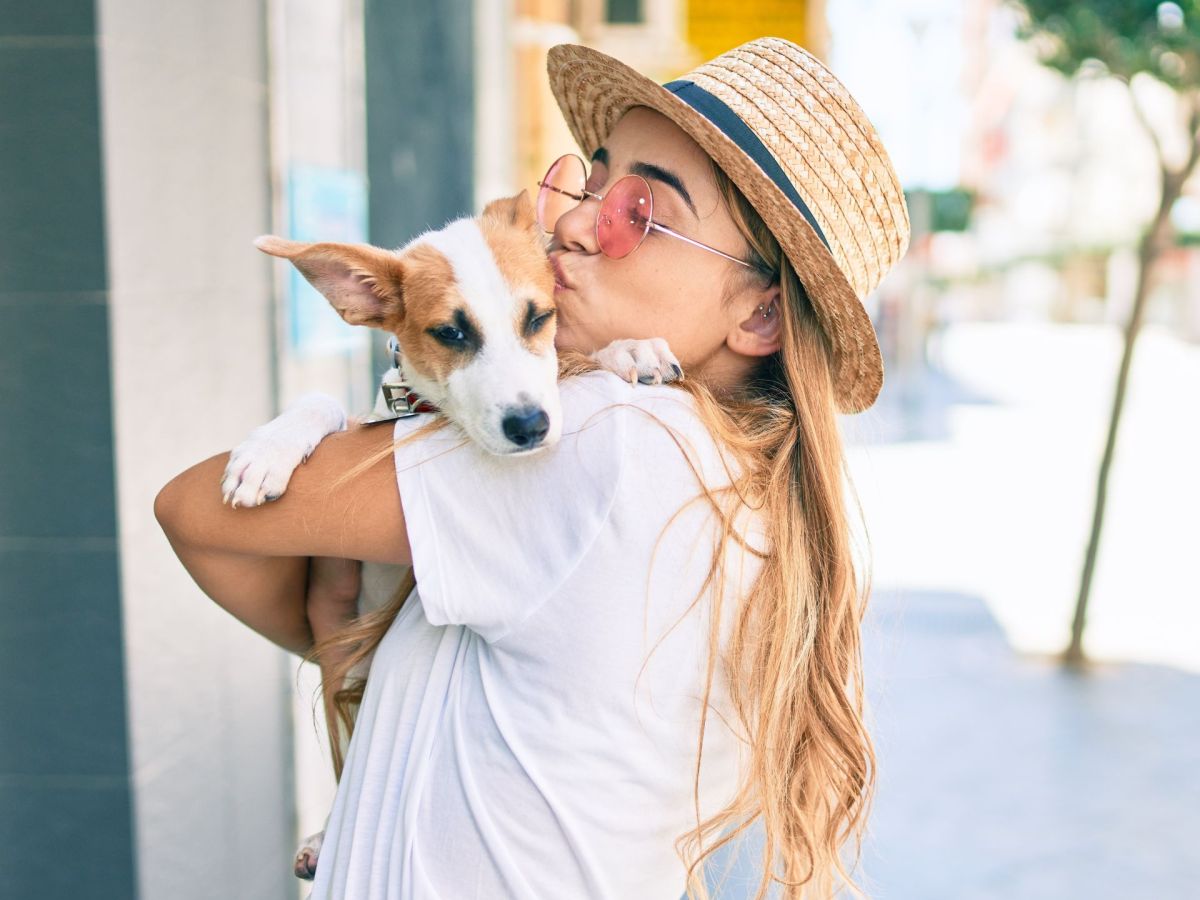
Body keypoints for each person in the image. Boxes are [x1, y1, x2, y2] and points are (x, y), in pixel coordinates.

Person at [154, 37, 909, 900]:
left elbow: (196, 510)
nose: (574, 225)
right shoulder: (739, 483)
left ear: (763, 312)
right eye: (587, 185)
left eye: (640, 212)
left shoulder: (613, 437)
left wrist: (345, 638)